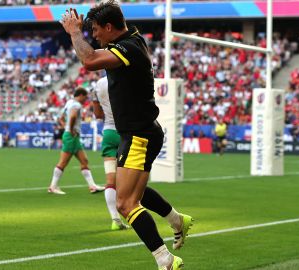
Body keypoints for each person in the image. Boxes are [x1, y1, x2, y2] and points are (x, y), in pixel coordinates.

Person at [60, 2, 193, 269]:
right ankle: (177, 220)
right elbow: (95, 54)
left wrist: (75, 33)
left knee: (125, 203)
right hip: (140, 132)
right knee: (135, 193)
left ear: (109, 27)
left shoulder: (128, 48)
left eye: (96, 30)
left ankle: (165, 258)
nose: (94, 36)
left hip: (139, 135)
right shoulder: (131, 40)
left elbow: (89, 60)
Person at [48, 87, 105, 195]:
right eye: (85, 97)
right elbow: (73, 116)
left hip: (71, 136)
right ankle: (52, 187)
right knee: (63, 162)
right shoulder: (76, 105)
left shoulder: (69, 102)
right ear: (80, 95)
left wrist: (66, 127)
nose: (86, 100)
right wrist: (71, 129)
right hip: (71, 136)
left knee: (84, 161)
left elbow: (60, 117)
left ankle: (92, 186)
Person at [92, 76, 130, 231]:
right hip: (126, 134)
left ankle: (115, 220)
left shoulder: (99, 84)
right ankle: (133, 214)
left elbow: (98, 115)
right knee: (130, 180)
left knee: (110, 181)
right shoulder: (127, 80)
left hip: (108, 134)